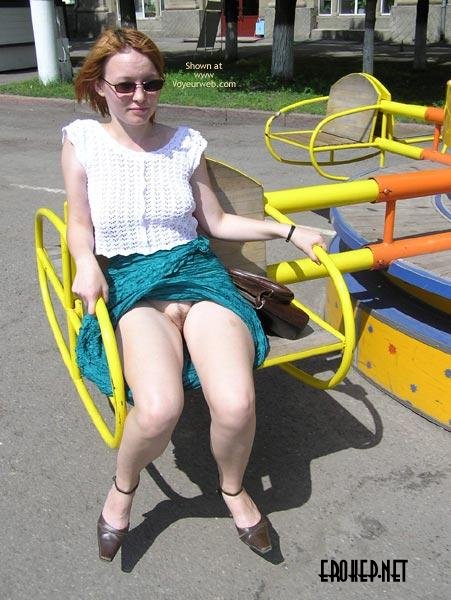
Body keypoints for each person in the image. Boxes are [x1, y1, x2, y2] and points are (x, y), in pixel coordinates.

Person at [62, 28, 326, 562]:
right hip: (134, 285)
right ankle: (123, 487)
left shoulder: (186, 143)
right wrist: (87, 264)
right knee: (159, 409)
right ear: (99, 87)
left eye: (151, 83)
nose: (140, 96)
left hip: (198, 276)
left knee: (236, 402)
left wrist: (290, 231)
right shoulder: (82, 141)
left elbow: (217, 222)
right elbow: (79, 222)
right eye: (125, 85)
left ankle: (233, 488)